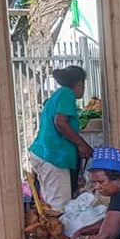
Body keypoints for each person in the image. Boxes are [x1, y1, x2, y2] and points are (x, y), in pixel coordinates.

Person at [28, 65, 93, 211]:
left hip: (46, 154)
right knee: (60, 207)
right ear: (79, 83)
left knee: (50, 206)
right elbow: (60, 122)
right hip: (53, 156)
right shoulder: (66, 94)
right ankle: (60, 233)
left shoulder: (58, 95)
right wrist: (81, 144)